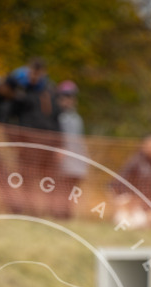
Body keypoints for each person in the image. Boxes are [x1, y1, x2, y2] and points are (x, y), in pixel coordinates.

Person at [3, 58, 60, 214]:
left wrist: (59, 145)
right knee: (26, 175)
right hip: (28, 142)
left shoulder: (50, 91)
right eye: (32, 73)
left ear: (43, 73)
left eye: (37, 73)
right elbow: (8, 117)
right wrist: (14, 141)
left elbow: (56, 118)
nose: (34, 77)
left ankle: (52, 209)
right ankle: (28, 209)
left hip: (49, 142)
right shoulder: (20, 92)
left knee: (49, 177)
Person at [52, 80, 87, 219]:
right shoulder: (56, 117)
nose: (67, 100)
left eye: (70, 97)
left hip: (75, 161)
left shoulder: (76, 118)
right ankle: (58, 214)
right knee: (59, 188)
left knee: (71, 189)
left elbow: (79, 139)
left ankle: (67, 214)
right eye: (64, 97)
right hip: (61, 161)